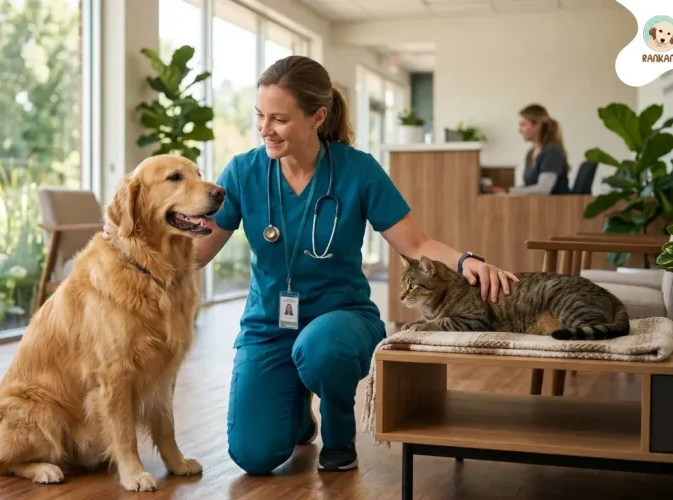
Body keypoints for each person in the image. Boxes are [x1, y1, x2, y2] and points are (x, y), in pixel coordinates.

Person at [103, 55, 518, 475]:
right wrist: (127, 244)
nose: (265, 128)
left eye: (279, 119)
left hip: (342, 321)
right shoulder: (244, 172)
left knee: (321, 348)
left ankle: (339, 436)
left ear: (317, 117)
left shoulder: (358, 170)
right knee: (254, 454)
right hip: (270, 326)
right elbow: (195, 254)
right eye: (260, 115)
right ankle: (298, 411)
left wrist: (466, 261)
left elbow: (416, 243)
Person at [506, 104, 572, 196]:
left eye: (523, 124)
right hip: (539, 203)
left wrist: (509, 192)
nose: (520, 130)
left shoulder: (552, 151)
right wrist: (506, 191)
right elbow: (529, 186)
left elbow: (543, 189)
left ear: (538, 125)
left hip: (555, 204)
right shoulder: (531, 153)